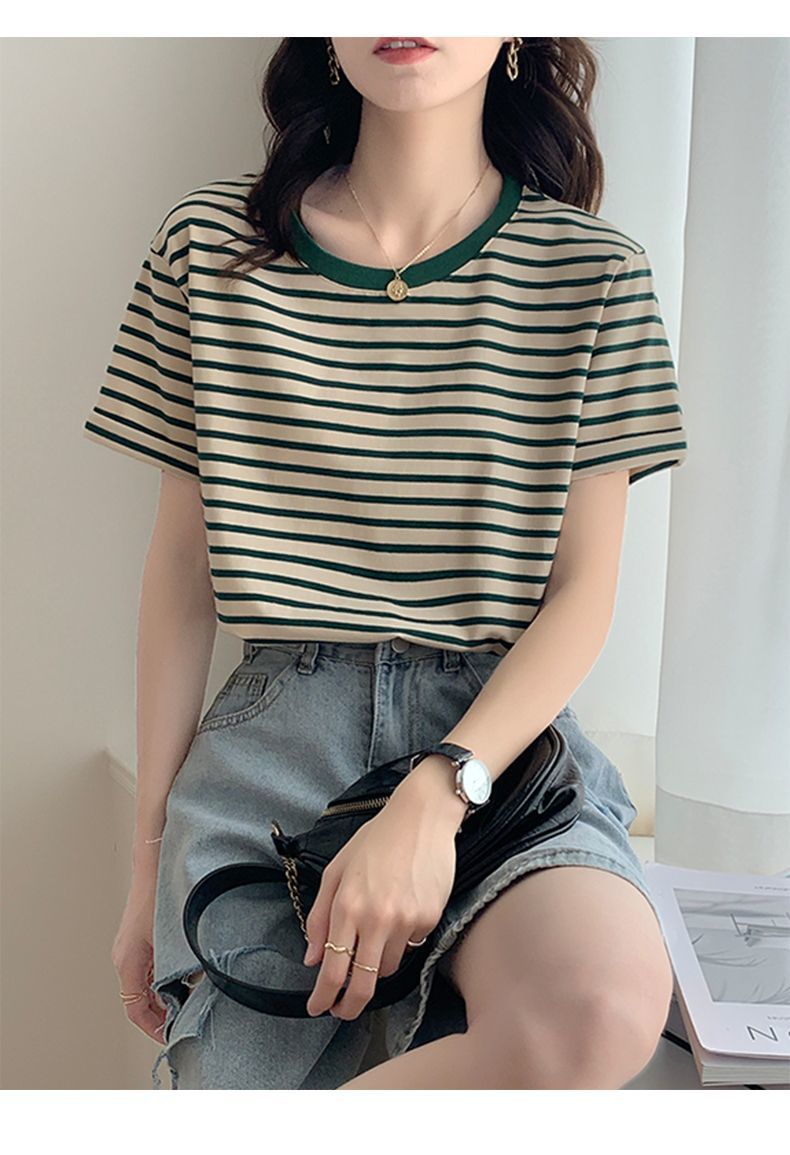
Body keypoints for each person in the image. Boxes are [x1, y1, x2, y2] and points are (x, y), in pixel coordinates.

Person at [83, 36, 689, 1090]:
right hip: (273, 751)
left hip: (499, 745)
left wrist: (439, 789)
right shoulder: (209, 248)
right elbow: (181, 576)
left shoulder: (593, 272)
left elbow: (584, 594)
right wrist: (145, 870)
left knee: (594, 1007)